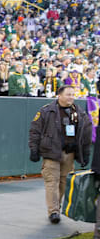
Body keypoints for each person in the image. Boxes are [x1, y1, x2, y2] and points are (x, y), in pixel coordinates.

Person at [29, 85, 92, 224]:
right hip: (51, 152)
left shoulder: (79, 113)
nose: (71, 97)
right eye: (68, 94)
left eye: (72, 94)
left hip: (69, 153)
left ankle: (57, 206)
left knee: (64, 182)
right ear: (59, 95)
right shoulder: (46, 111)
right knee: (52, 181)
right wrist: (34, 149)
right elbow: (35, 131)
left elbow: (86, 134)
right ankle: (54, 211)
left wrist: (85, 153)